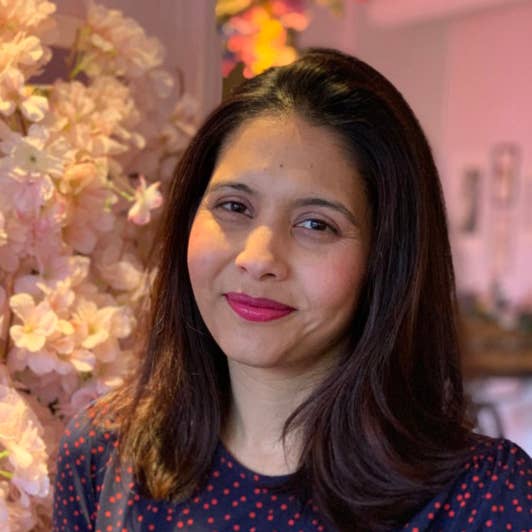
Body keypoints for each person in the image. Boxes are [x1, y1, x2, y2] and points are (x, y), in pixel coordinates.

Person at [52, 48, 532, 531]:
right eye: (234, 206)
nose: (258, 258)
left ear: (387, 259)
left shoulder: (484, 498)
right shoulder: (103, 454)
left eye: (315, 224)